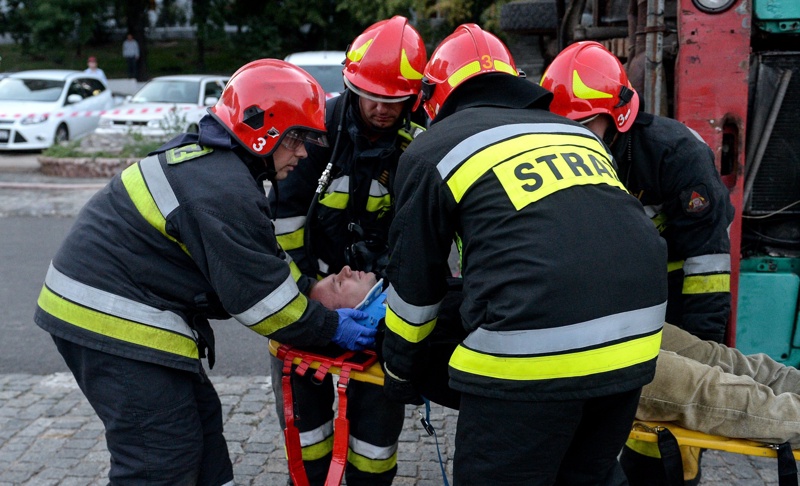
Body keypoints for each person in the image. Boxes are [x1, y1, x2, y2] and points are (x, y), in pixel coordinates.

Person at [33, 59, 376, 486]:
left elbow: (260, 262)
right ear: (262, 130)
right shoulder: (222, 189)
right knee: (160, 457)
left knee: (201, 429)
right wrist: (329, 326)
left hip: (121, 310)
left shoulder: (218, 169)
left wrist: (307, 287)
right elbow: (263, 305)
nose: (304, 152)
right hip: (113, 320)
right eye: (297, 138)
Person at [381, 23, 668, 485]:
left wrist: (399, 371)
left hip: (531, 357)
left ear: (435, 98)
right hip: (633, 345)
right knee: (587, 476)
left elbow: (416, 286)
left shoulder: (433, 148)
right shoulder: (577, 135)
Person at [314, 267, 800, 449]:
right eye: (338, 283)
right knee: (718, 396)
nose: (346, 270)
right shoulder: (399, 339)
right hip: (585, 362)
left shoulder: (414, 295)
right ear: (350, 313)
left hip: (601, 321)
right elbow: (473, 381)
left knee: (725, 361)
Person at [540, 40, 736, 485]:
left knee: (664, 444)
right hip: (612, 314)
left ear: (618, 117)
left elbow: (707, 272)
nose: (575, 138)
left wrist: (699, 360)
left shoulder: (676, 157)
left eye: (586, 125)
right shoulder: (561, 156)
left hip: (679, 313)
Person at [267, 16, 427, 486]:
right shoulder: (316, 133)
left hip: (379, 302)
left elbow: (425, 236)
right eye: (372, 95)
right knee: (307, 424)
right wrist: (304, 294)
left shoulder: (417, 146)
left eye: (394, 100)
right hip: (312, 295)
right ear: (350, 84)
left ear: (412, 97)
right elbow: (283, 222)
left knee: (375, 432)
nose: (381, 108)